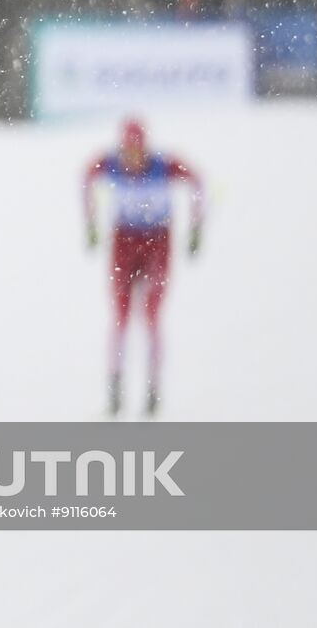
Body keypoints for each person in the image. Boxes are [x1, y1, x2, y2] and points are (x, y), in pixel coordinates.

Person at [82, 119, 203, 416]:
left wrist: (196, 227)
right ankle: (115, 387)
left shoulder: (163, 166)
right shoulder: (111, 164)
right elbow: (86, 177)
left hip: (157, 245)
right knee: (121, 317)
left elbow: (197, 182)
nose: (132, 158)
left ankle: (153, 387)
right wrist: (90, 222)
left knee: (151, 317)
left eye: (137, 150)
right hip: (124, 244)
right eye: (127, 150)